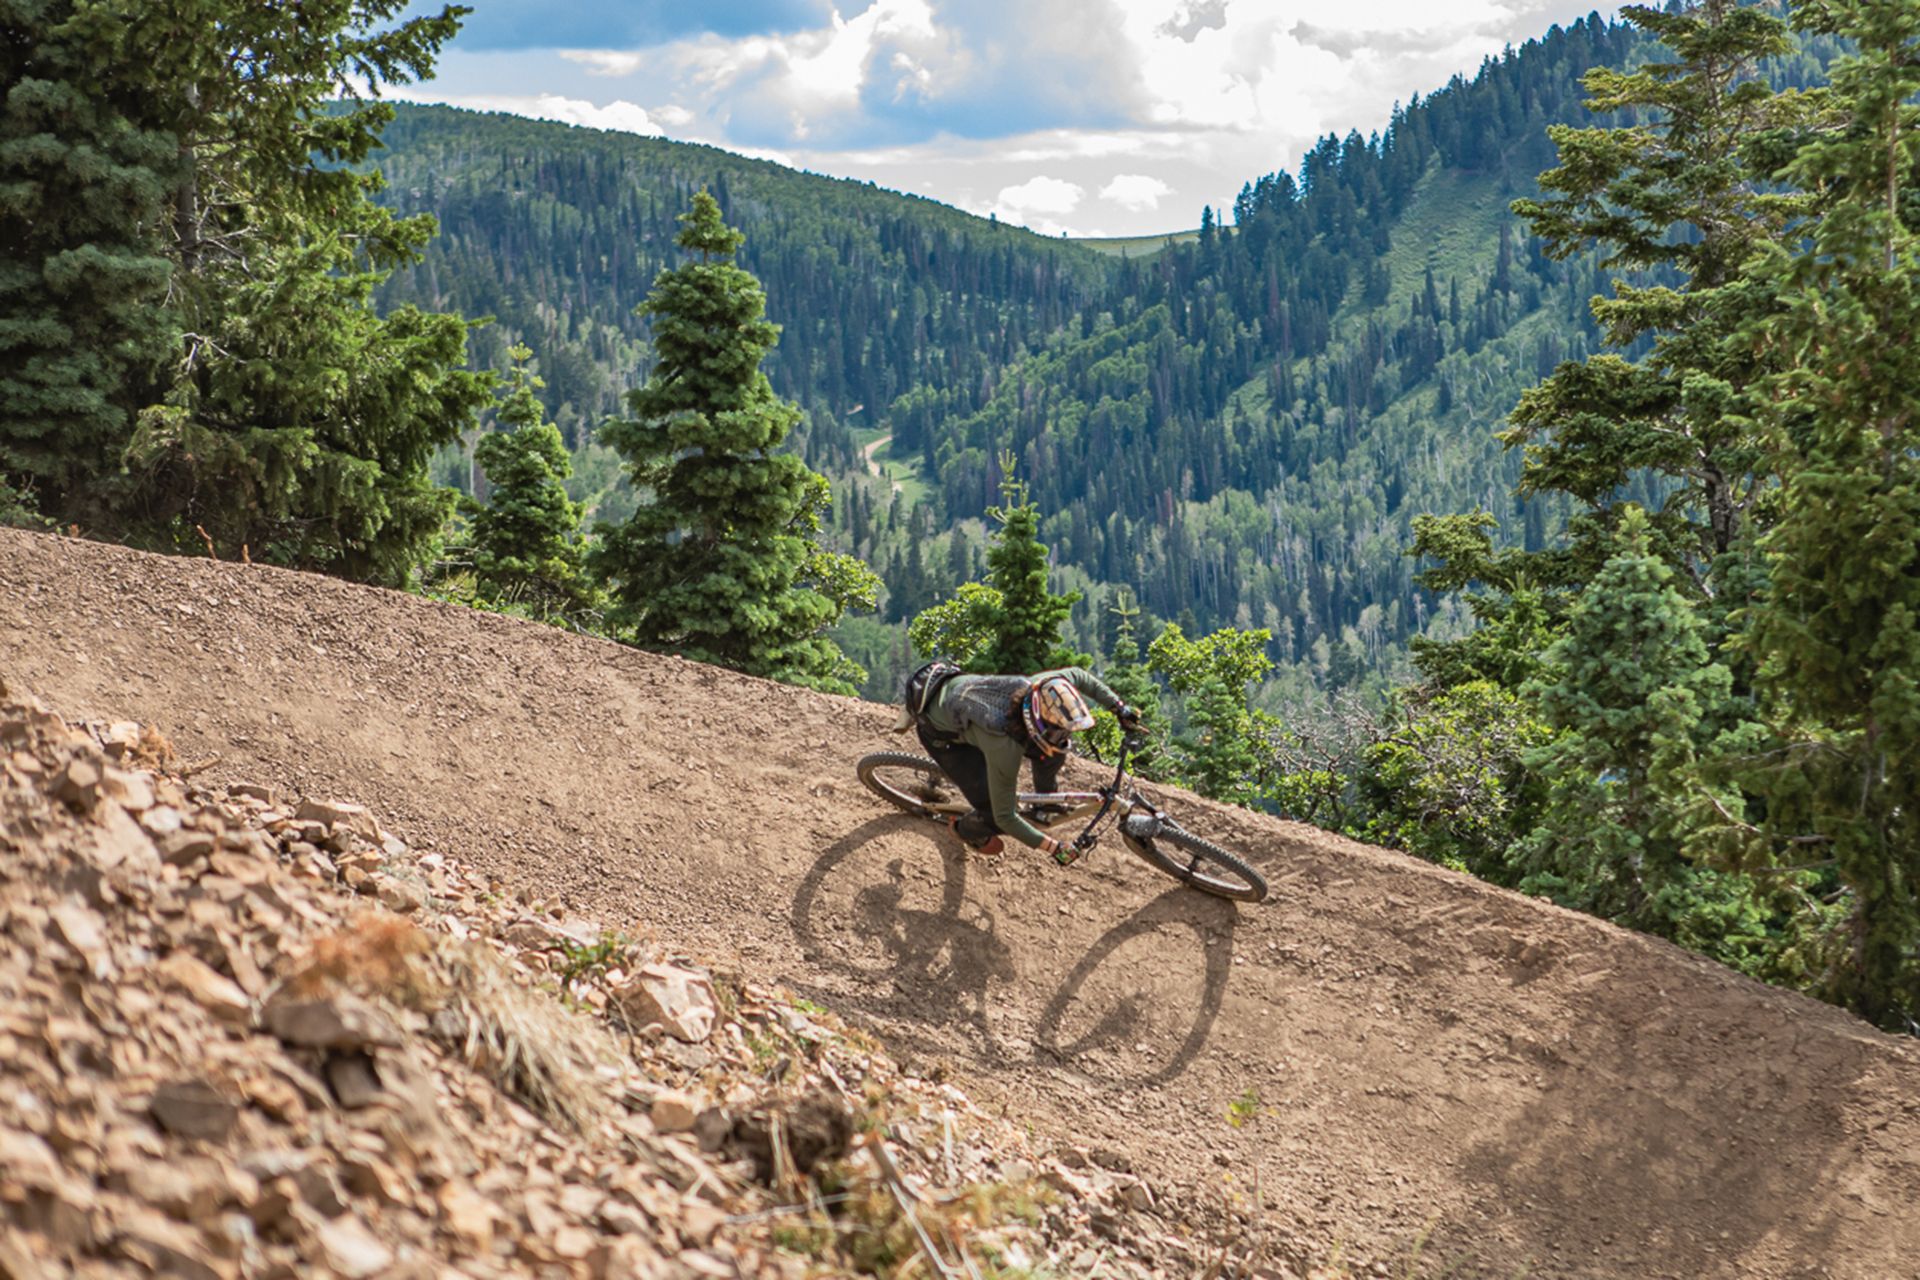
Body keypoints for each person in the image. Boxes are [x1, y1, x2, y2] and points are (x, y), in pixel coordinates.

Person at [891, 662, 1142, 863]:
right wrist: (1054, 848)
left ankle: (1046, 804)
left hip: (955, 698)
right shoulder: (1004, 746)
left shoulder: (1042, 688)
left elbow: (1079, 675)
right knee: (992, 811)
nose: (1065, 737)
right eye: (1058, 732)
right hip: (942, 738)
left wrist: (1119, 708)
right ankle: (964, 830)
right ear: (1036, 720)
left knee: (1052, 752)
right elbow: (1005, 817)